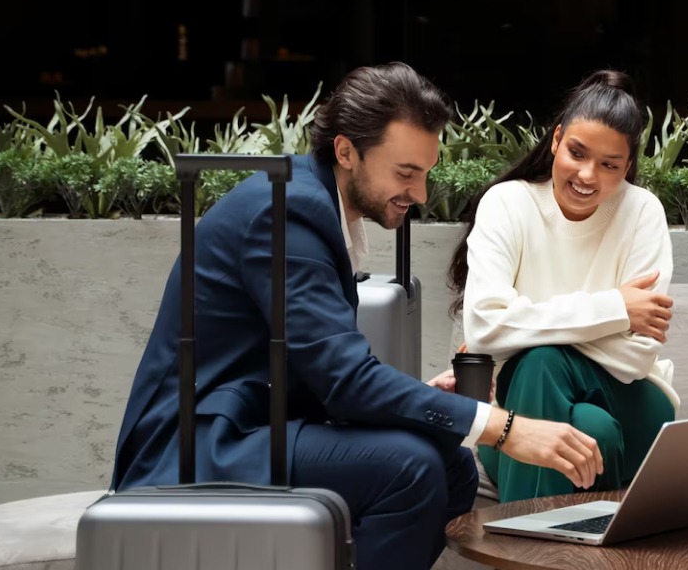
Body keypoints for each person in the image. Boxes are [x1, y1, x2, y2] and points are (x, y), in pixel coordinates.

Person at [109, 62, 605, 570]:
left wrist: (425, 403)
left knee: (452, 465)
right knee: (410, 468)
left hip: (255, 428)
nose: (420, 194)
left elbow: (323, 371)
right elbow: (344, 380)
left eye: (425, 173)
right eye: (406, 173)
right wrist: (505, 427)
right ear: (346, 152)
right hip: (196, 446)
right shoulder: (287, 213)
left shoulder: (314, 203)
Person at [447, 69, 678, 503]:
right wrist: (616, 310)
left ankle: (522, 536)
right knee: (591, 428)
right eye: (577, 153)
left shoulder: (642, 212)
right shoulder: (508, 204)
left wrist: (521, 330)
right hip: (517, 419)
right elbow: (484, 331)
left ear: (628, 166)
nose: (588, 175)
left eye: (609, 165)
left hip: (632, 403)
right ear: (556, 140)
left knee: (540, 360)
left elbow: (635, 357)